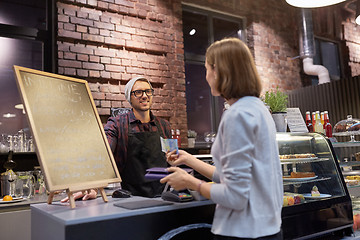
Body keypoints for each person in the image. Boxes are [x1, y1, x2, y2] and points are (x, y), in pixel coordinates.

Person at [160, 38, 283, 240]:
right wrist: (189, 160)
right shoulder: (257, 108)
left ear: (218, 71)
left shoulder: (238, 115)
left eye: (207, 69)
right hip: (266, 230)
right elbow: (233, 178)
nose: (206, 77)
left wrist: (190, 182)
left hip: (242, 233)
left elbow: (235, 195)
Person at [61, 76, 172, 202]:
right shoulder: (117, 124)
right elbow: (104, 154)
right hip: (131, 201)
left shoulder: (165, 126)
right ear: (129, 97)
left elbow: (173, 159)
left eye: (148, 91)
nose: (145, 96)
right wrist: (93, 187)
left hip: (164, 198)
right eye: (138, 92)